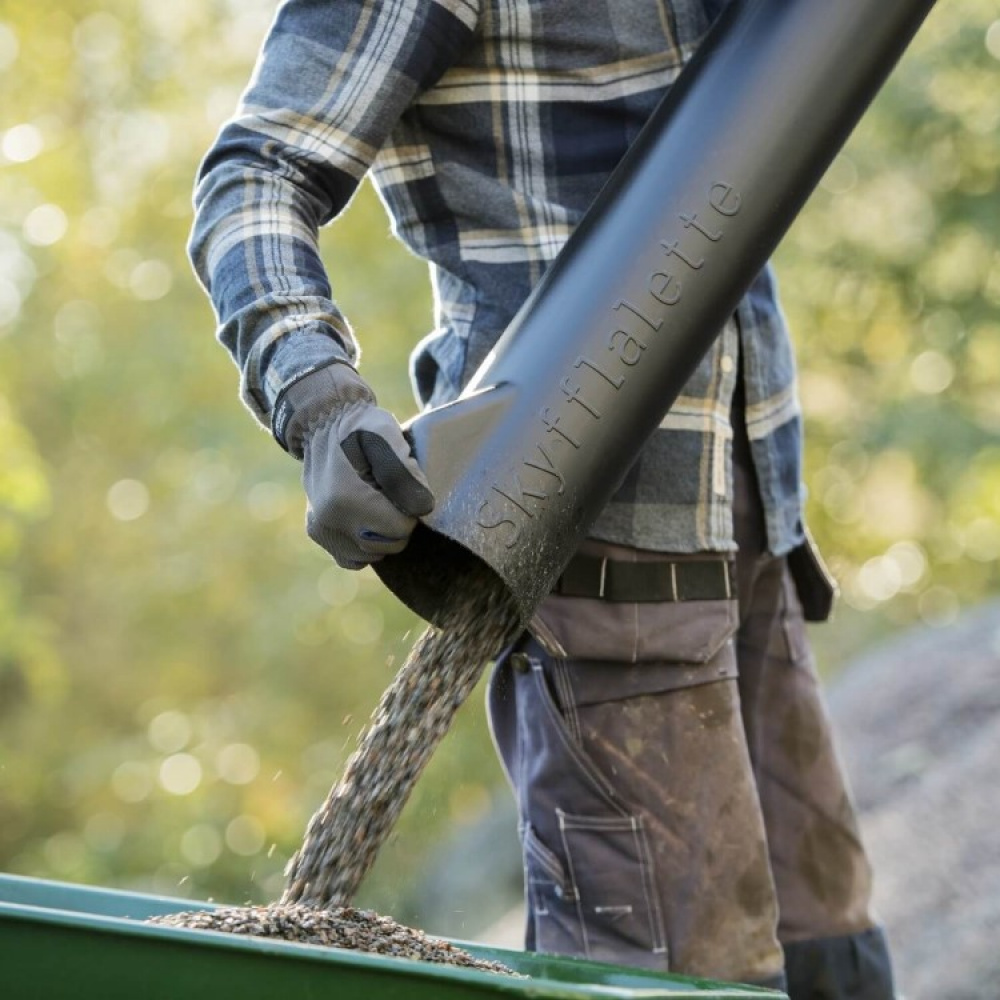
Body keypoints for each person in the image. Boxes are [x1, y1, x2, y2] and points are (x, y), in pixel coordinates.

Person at [190, 0, 897, 995]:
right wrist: (317, 395)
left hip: (749, 523)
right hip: (585, 548)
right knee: (681, 976)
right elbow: (253, 176)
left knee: (833, 946)